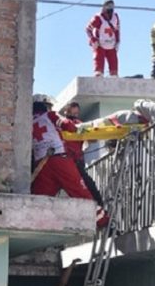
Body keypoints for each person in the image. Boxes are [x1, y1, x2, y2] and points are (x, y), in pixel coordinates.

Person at [31, 95, 109, 227]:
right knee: (82, 193)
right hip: (60, 160)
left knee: (39, 200)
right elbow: (69, 126)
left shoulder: (28, 121)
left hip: (42, 164)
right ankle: (104, 222)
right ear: (45, 106)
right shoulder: (50, 115)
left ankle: (33, 224)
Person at [63, 102, 108, 226]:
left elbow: (91, 138)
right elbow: (92, 138)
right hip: (71, 161)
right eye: (73, 113)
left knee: (88, 186)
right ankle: (101, 211)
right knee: (89, 186)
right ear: (67, 112)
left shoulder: (75, 124)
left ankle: (100, 211)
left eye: (76, 113)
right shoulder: (70, 124)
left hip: (74, 161)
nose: (75, 115)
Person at [86, 0, 120, 77]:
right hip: (100, 45)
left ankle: (113, 74)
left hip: (111, 45)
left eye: (112, 5)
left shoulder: (116, 17)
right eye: (108, 5)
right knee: (99, 64)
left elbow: (117, 30)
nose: (110, 7)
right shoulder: (98, 18)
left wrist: (118, 41)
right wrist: (93, 39)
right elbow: (88, 29)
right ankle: (99, 72)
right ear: (104, 6)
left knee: (114, 65)